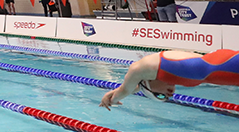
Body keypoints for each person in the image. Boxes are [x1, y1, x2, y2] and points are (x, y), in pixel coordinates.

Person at [100, 49, 239, 109]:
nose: (169, 95)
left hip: (229, 64)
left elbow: (126, 88)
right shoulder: (164, 74)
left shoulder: (143, 67)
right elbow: (138, 87)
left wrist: (112, 99)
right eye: (165, 97)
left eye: (160, 95)